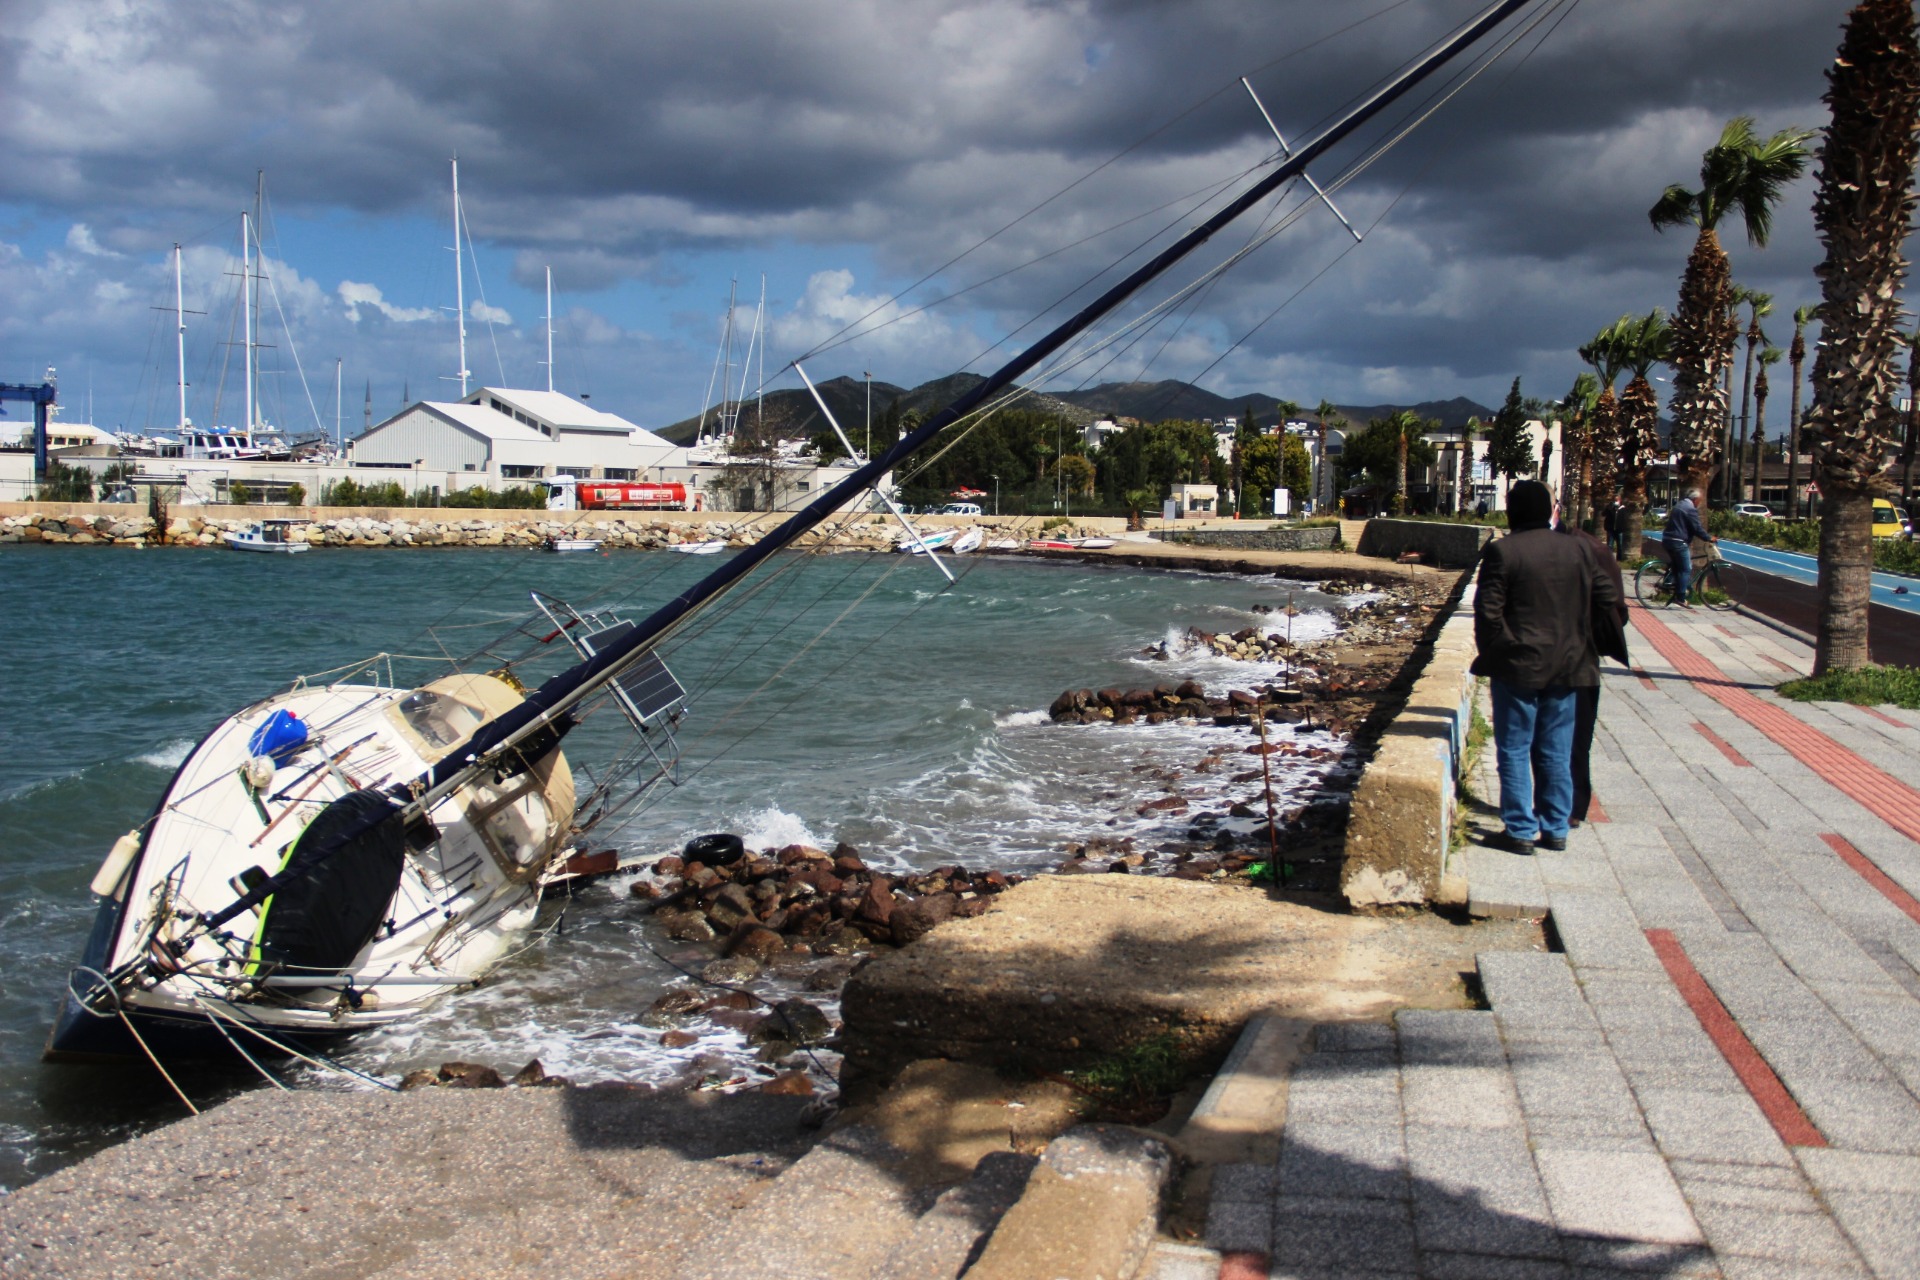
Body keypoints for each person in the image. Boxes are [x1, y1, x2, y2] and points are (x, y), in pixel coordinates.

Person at [1470, 479, 1618, 854]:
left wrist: (1498, 649)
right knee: (1556, 748)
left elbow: (1487, 612)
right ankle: (1555, 827)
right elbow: (1607, 597)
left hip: (1518, 664)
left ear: (1513, 511)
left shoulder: (1503, 552)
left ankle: (1520, 830)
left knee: (1515, 747)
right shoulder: (1579, 549)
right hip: (1570, 663)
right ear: (1546, 510)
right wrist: (1581, 634)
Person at [1556, 511, 1629, 828]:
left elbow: (1614, 607)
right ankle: (1570, 809)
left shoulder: (1589, 549)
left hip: (1561, 660)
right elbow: (1616, 608)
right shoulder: (1593, 548)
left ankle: (1567, 807)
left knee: (1559, 738)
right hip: (1582, 659)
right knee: (1573, 737)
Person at [1661, 488, 1716, 607]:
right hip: (1678, 541)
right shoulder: (1690, 509)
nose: (1699, 503)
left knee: (1677, 566)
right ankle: (1680, 597)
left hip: (1668, 539)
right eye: (1699, 501)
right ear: (1695, 499)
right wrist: (1708, 538)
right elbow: (1696, 527)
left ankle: (1668, 584)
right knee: (1686, 568)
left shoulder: (1679, 504)